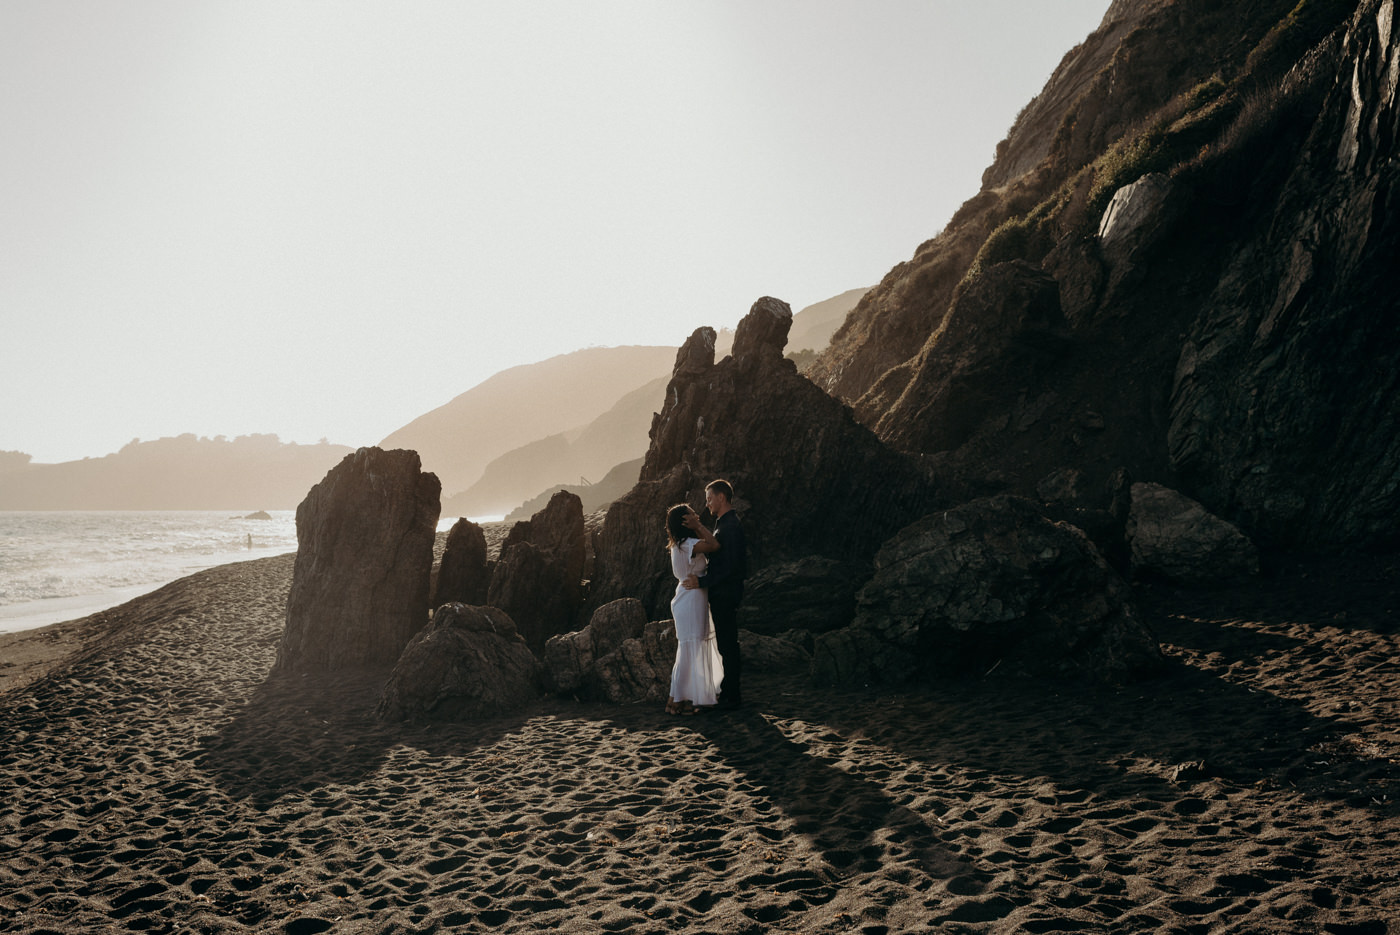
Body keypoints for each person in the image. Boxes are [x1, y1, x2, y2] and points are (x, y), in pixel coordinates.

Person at [684, 479, 747, 710]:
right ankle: (731, 691)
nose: (707, 503)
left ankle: (732, 695)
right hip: (726, 591)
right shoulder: (726, 523)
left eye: (710, 498)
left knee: (728, 644)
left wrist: (701, 581)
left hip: (726, 592)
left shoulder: (729, 527)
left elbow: (728, 567)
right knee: (727, 643)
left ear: (722, 497)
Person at [665, 503, 724, 715]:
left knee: (690, 649)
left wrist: (696, 523)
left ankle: (678, 699)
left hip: (687, 597)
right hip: (691, 598)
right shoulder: (688, 544)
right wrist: (698, 525)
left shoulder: (679, 545)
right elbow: (715, 545)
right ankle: (685, 699)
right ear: (684, 521)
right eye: (691, 514)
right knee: (693, 648)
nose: (696, 515)